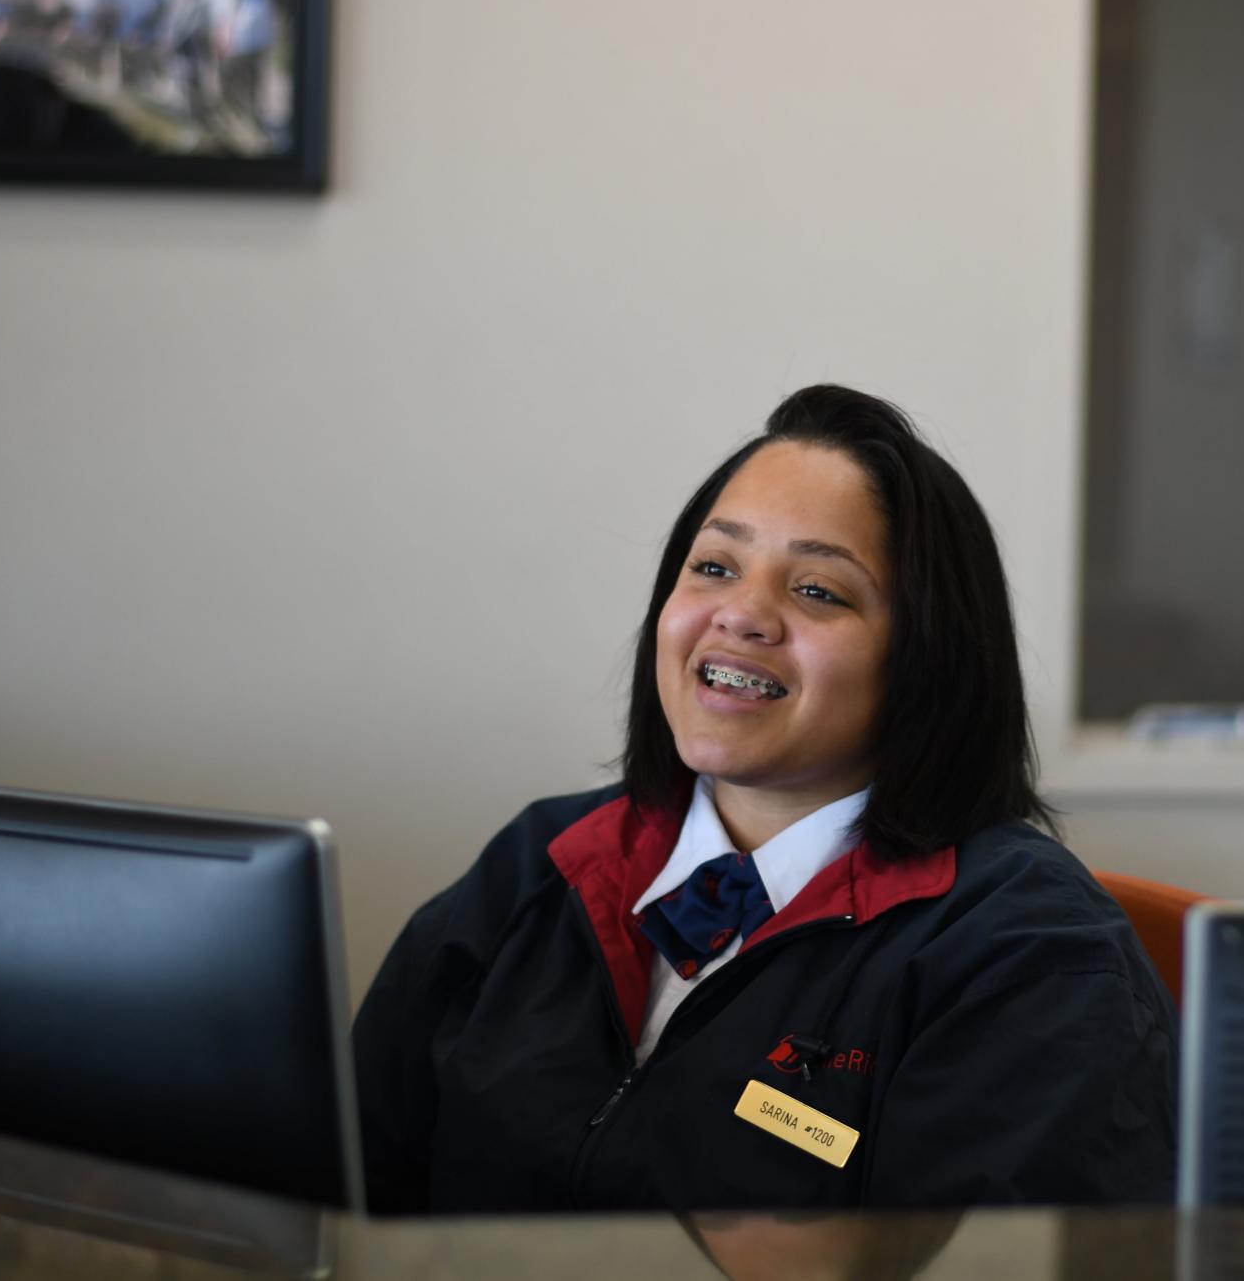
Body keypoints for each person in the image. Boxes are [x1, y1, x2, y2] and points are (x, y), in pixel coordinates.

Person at [353, 385, 1177, 1214]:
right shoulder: (545, 860)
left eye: (818, 590)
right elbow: (346, 1178)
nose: (743, 614)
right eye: (714, 566)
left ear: (927, 655)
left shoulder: (1030, 949)